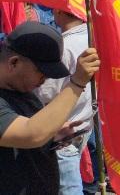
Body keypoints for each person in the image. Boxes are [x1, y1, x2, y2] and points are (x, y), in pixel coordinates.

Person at [0, 22, 100, 194]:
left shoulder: (22, 90)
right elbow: (30, 133)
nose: (44, 79)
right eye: (42, 72)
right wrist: (77, 83)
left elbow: (28, 132)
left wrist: (52, 134)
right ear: (14, 63)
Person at [33, 8, 95, 193]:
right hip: (83, 120)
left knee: (68, 187)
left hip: (61, 130)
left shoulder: (63, 46)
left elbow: (45, 93)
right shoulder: (90, 38)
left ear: (60, 12)